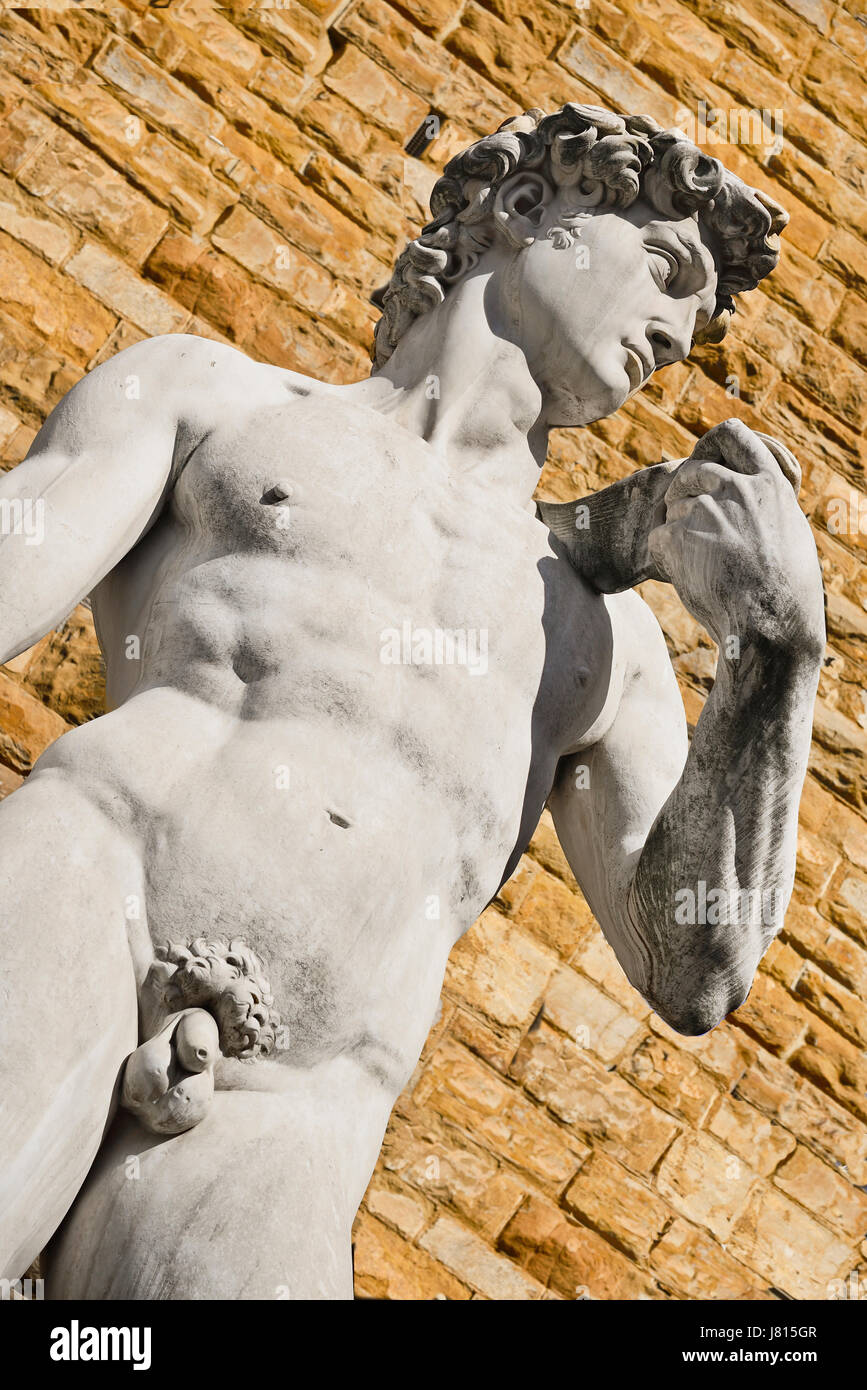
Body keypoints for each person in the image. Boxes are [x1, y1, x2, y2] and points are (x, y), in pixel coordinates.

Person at [0, 104, 824, 1298]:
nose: (675, 333)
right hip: (81, 896)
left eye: (692, 319)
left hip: (302, 1101)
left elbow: (693, 967)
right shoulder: (219, 403)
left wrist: (772, 654)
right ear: (531, 212)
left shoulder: (604, 642)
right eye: (664, 269)